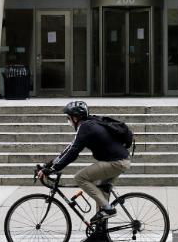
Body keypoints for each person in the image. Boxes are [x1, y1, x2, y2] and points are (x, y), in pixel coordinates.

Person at [37, 101, 131, 241]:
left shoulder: (85, 127)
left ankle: (108, 208)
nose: (68, 121)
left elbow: (73, 153)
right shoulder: (89, 124)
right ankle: (100, 235)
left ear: (75, 118)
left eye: (68, 118)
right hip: (119, 160)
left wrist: (52, 169)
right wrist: (49, 165)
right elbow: (69, 149)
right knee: (101, 192)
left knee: (80, 177)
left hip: (116, 162)